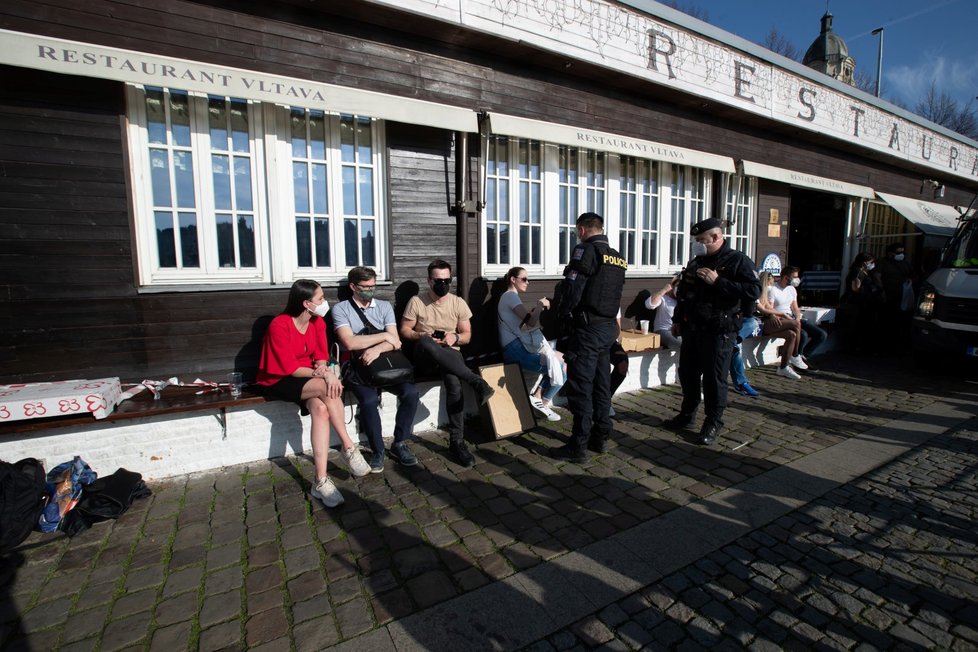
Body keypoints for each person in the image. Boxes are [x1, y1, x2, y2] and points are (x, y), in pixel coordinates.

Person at [256, 279, 371, 508]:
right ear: (306, 303)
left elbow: (320, 354)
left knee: (320, 409)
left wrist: (322, 367)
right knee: (327, 387)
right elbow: (288, 367)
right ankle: (348, 447)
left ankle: (320, 480)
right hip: (278, 378)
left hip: (308, 376)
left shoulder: (317, 322)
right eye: (320, 299)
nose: (324, 302)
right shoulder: (280, 325)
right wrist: (326, 375)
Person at [663, 218, 760, 445]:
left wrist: (718, 282)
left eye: (701, 240)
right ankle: (687, 415)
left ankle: (713, 421)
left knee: (714, 379)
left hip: (720, 330)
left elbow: (753, 291)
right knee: (687, 374)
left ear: (715, 237)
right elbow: (685, 293)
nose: (698, 244)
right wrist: (677, 319)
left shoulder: (737, 261)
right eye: (696, 240)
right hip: (693, 328)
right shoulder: (697, 262)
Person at [400, 259, 495, 468]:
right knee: (426, 341)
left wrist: (455, 338)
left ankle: (457, 442)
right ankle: (476, 381)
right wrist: (421, 334)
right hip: (424, 355)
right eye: (438, 280)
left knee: (453, 382)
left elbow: (467, 335)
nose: (443, 284)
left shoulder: (457, 302)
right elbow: (405, 330)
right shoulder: (417, 301)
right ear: (429, 280)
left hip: (450, 353)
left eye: (447, 280)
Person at [550, 212, 627, 461]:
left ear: (582, 230)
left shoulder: (585, 251)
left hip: (587, 330)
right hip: (607, 329)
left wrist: (562, 315)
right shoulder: (616, 257)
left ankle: (578, 446)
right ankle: (600, 436)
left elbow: (574, 289)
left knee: (581, 387)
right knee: (602, 384)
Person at [332, 266, 421, 473]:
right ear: (353, 287)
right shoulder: (341, 309)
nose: (371, 290)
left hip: (386, 364)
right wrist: (384, 337)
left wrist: (379, 348)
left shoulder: (384, 306)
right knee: (369, 400)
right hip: (357, 366)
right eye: (366, 286)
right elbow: (349, 342)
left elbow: (396, 342)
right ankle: (377, 449)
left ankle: (400, 442)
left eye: (374, 286)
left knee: (410, 394)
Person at [498, 266, 564, 422]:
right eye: (524, 279)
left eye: (528, 279)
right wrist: (540, 305)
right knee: (561, 365)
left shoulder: (509, 297)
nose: (528, 282)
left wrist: (536, 310)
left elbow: (523, 323)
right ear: (513, 280)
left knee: (563, 360)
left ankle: (540, 399)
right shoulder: (510, 296)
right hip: (515, 349)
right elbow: (531, 322)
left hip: (516, 347)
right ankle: (542, 400)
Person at [770, 266, 828, 362]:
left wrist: (797, 317)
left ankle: (803, 357)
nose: (797, 279)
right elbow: (770, 308)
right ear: (785, 277)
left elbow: (795, 307)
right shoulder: (774, 289)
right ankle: (796, 357)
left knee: (821, 335)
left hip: (792, 318)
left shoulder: (792, 289)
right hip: (782, 319)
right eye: (794, 277)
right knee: (803, 335)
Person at [757, 271, 805, 379]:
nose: (771, 286)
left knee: (791, 335)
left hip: (770, 323)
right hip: (762, 324)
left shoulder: (765, 295)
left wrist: (778, 314)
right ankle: (795, 355)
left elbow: (770, 308)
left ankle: (783, 367)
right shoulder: (758, 294)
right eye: (770, 283)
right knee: (796, 323)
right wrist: (780, 314)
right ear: (766, 283)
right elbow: (763, 310)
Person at [841, 252, 884, 352]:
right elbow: (855, 288)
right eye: (871, 262)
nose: (872, 264)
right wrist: (869, 289)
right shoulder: (857, 272)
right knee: (858, 326)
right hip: (857, 303)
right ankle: (855, 347)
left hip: (864, 303)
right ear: (864, 263)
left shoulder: (862, 272)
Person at [875, 242, 914, 347]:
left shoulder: (905, 263)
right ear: (890, 253)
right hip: (887, 296)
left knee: (901, 321)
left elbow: (912, 275)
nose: (901, 254)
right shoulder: (882, 262)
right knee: (886, 321)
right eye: (898, 252)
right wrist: (882, 291)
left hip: (902, 297)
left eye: (902, 252)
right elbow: (877, 276)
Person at [729, 306, 762, 397]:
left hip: (731, 319)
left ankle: (732, 342)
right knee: (735, 349)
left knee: (752, 322)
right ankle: (741, 383)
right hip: (714, 318)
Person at [644, 276, 682, 350]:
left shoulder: (682, 300)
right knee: (683, 345)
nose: (679, 288)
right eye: (677, 286)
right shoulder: (664, 298)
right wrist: (664, 290)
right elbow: (649, 305)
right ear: (672, 286)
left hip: (678, 331)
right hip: (663, 330)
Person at [608, 311, 629, 417]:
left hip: (610, 341)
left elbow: (618, 327)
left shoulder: (613, 296)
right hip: (591, 339)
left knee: (622, 364)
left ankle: (606, 399)